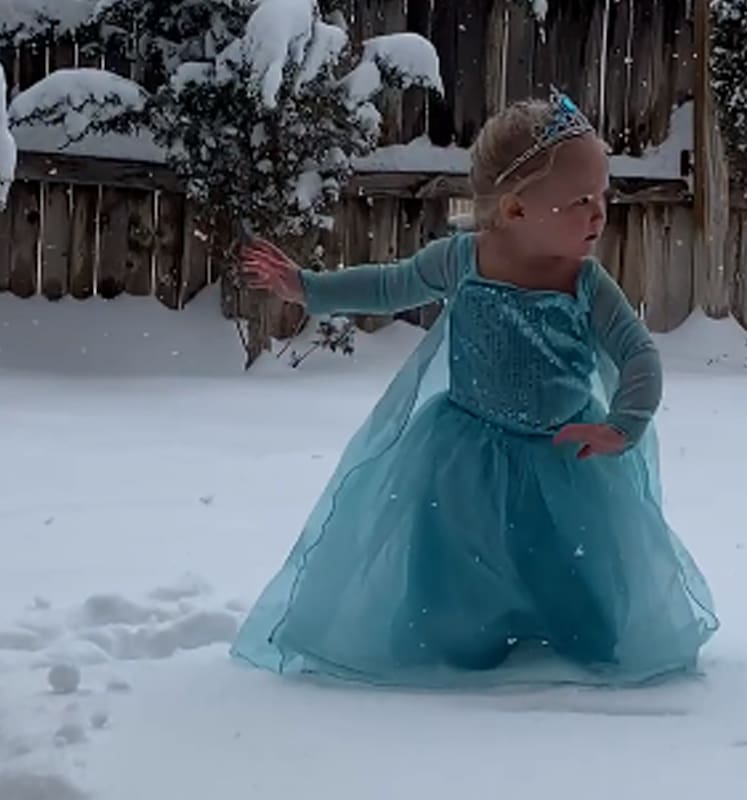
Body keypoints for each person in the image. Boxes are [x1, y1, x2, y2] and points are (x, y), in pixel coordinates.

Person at [230, 89, 718, 688]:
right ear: (514, 210)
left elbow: (639, 354)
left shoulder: (586, 283)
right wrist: (309, 289)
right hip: (465, 456)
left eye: (603, 198)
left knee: (573, 574)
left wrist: (623, 424)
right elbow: (390, 287)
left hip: (565, 456)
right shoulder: (463, 260)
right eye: (580, 201)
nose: (599, 215)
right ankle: (462, 640)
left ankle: (572, 628)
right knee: (457, 574)